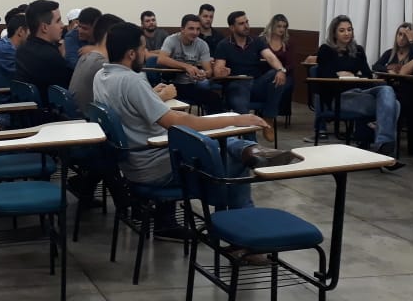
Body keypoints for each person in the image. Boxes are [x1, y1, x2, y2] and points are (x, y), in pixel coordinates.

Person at [93, 23, 289, 242]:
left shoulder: (101, 75)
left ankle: (249, 151)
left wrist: (152, 95)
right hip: (155, 167)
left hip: (134, 162)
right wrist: (236, 118)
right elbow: (178, 121)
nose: (146, 53)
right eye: (143, 49)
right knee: (232, 162)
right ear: (131, 54)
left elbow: (131, 108)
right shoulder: (131, 80)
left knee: (218, 143)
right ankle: (242, 236)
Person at [313, 15, 402, 164]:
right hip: (338, 98)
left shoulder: (358, 50)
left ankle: (382, 144)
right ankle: (384, 148)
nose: (347, 33)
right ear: (334, 33)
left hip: (360, 93)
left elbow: (367, 75)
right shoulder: (326, 50)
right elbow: (325, 76)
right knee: (395, 105)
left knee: (387, 90)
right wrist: (344, 76)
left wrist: (350, 75)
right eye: (342, 30)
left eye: (349, 29)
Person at [213, 10, 288, 118]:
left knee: (277, 73)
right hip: (236, 84)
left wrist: (281, 70)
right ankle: (248, 127)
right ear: (232, 28)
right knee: (240, 100)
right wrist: (222, 72)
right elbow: (218, 70)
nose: (246, 26)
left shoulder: (256, 41)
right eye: (241, 24)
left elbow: (270, 57)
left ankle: (268, 117)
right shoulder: (224, 45)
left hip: (255, 83)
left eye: (247, 22)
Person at [374, 22, 413, 166]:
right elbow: (376, 66)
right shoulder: (390, 53)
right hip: (390, 90)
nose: (401, 38)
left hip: (410, 91)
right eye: (399, 34)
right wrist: (388, 70)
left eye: (405, 36)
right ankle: (381, 144)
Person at [158, 14, 223, 113]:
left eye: (198, 29)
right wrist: (186, 66)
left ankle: (213, 122)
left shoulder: (202, 44)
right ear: (182, 29)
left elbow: (209, 71)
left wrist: (203, 74)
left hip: (190, 85)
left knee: (214, 98)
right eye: (191, 29)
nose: (195, 32)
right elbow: (161, 59)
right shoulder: (171, 40)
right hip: (170, 84)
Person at [15, 0, 72, 102]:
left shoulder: (22, 50)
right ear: (44, 27)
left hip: (27, 109)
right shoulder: (50, 57)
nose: (62, 25)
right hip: (49, 111)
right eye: (58, 21)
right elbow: (68, 91)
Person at [68, 13, 124, 111]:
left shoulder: (85, 57)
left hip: (78, 116)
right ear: (109, 37)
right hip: (88, 118)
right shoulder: (103, 65)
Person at [260, 13, 296, 117]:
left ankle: (269, 115)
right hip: (265, 74)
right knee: (270, 81)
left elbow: (291, 64)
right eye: (279, 26)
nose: (282, 29)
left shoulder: (288, 42)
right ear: (272, 26)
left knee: (277, 83)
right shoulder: (262, 40)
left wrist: (282, 71)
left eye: (284, 27)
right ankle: (268, 114)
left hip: (285, 74)